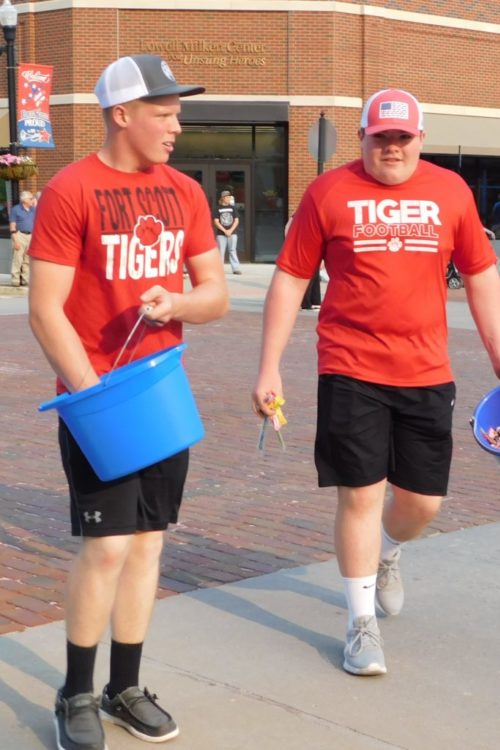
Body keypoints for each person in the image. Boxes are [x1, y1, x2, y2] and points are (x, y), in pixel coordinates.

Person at [252, 88, 500, 678]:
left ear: (420, 139)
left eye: (403, 137)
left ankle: (387, 552)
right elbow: (290, 279)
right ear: (363, 138)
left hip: (427, 370)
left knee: (423, 504)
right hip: (350, 366)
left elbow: (481, 275)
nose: (393, 147)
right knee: (359, 494)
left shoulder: (451, 192)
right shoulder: (328, 192)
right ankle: (361, 625)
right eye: (381, 137)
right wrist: (269, 365)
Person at [28, 54, 228, 750]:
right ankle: (76, 692)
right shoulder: (71, 190)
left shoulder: (185, 192)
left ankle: (126, 687)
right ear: (121, 115)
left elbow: (215, 294)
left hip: (162, 396)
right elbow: (46, 309)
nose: (177, 126)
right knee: (107, 546)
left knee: (147, 543)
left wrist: (178, 302)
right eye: (164, 113)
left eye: (178, 113)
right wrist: (92, 397)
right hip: (99, 400)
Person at [9, 189, 36, 287]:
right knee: (18, 258)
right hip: (19, 235)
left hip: (31, 236)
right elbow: (12, 225)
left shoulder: (33, 210)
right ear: (24, 200)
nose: (32, 200)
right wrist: (15, 239)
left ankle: (25, 279)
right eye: (31, 198)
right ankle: (15, 279)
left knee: (27, 259)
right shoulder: (16, 209)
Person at [214, 189, 241, 274]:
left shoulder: (233, 208)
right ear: (223, 198)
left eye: (230, 197)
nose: (229, 198)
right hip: (221, 234)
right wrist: (225, 230)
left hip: (232, 233)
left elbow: (236, 220)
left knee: (232, 250)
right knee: (221, 251)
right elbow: (216, 221)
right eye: (227, 197)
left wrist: (230, 230)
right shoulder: (217, 208)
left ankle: (236, 268)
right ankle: (220, 269)